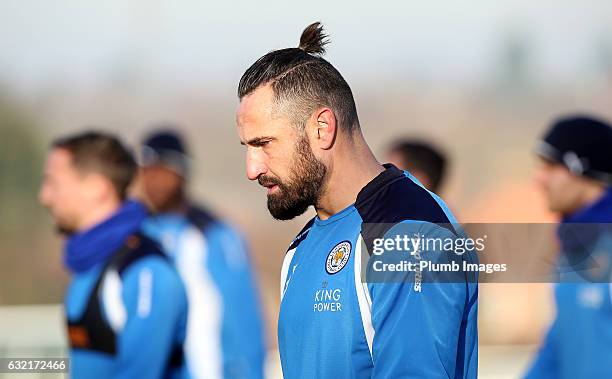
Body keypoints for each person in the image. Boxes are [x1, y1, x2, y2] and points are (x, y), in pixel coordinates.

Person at [235, 22, 478, 378]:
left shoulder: (409, 234)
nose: (252, 169)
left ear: (322, 128)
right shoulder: (302, 246)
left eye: (263, 144)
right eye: (247, 147)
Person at [39, 131, 189, 379]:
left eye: (53, 183)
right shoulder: (88, 263)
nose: (44, 196)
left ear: (96, 189)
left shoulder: (145, 270)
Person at [137, 129, 266, 379]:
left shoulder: (215, 235)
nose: (152, 180)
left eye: (161, 170)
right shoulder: (137, 235)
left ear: (181, 172)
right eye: (146, 171)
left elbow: (245, 320)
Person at [526, 115, 612, 379]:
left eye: (551, 167)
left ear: (583, 168)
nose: (539, 179)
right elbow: (562, 341)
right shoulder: (572, 247)